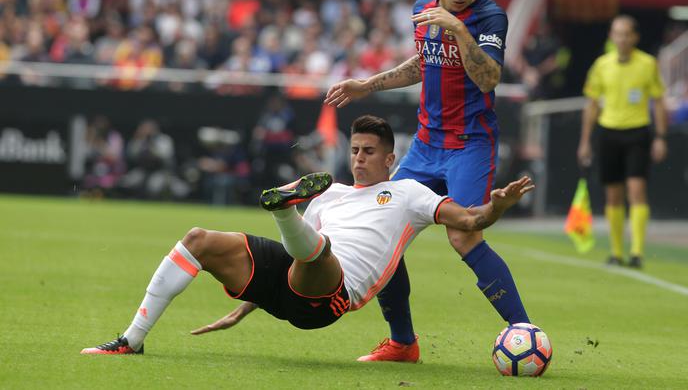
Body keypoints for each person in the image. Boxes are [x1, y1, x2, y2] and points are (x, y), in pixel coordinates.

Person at [81, 115, 533, 355]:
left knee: (319, 254)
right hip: (295, 277)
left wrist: (498, 206)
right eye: (354, 149)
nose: (358, 158)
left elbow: (470, 222)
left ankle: (282, 211)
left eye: (369, 152)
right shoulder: (329, 194)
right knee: (198, 238)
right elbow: (293, 260)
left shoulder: (408, 193)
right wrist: (244, 309)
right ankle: (130, 340)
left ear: (390, 159)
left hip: (330, 296)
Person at [324, 0, 530, 361]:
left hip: (469, 144)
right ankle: (403, 343)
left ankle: (524, 332)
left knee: (463, 235)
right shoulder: (421, 8)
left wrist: (458, 29)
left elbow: (488, 78)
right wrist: (369, 84)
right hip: (424, 143)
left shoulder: (490, 17)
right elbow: (424, 61)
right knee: (387, 230)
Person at [577, 15, 668, 269]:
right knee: (613, 195)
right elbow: (592, 104)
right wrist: (585, 141)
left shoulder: (648, 64)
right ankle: (616, 252)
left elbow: (659, 101)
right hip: (608, 133)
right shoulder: (601, 65)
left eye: (627, 33)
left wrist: (660, 136)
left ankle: (637, 251)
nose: (622, 38)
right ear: (611, 36)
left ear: (635, 37)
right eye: (617, 33)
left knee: (637, 191)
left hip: (638, 132)